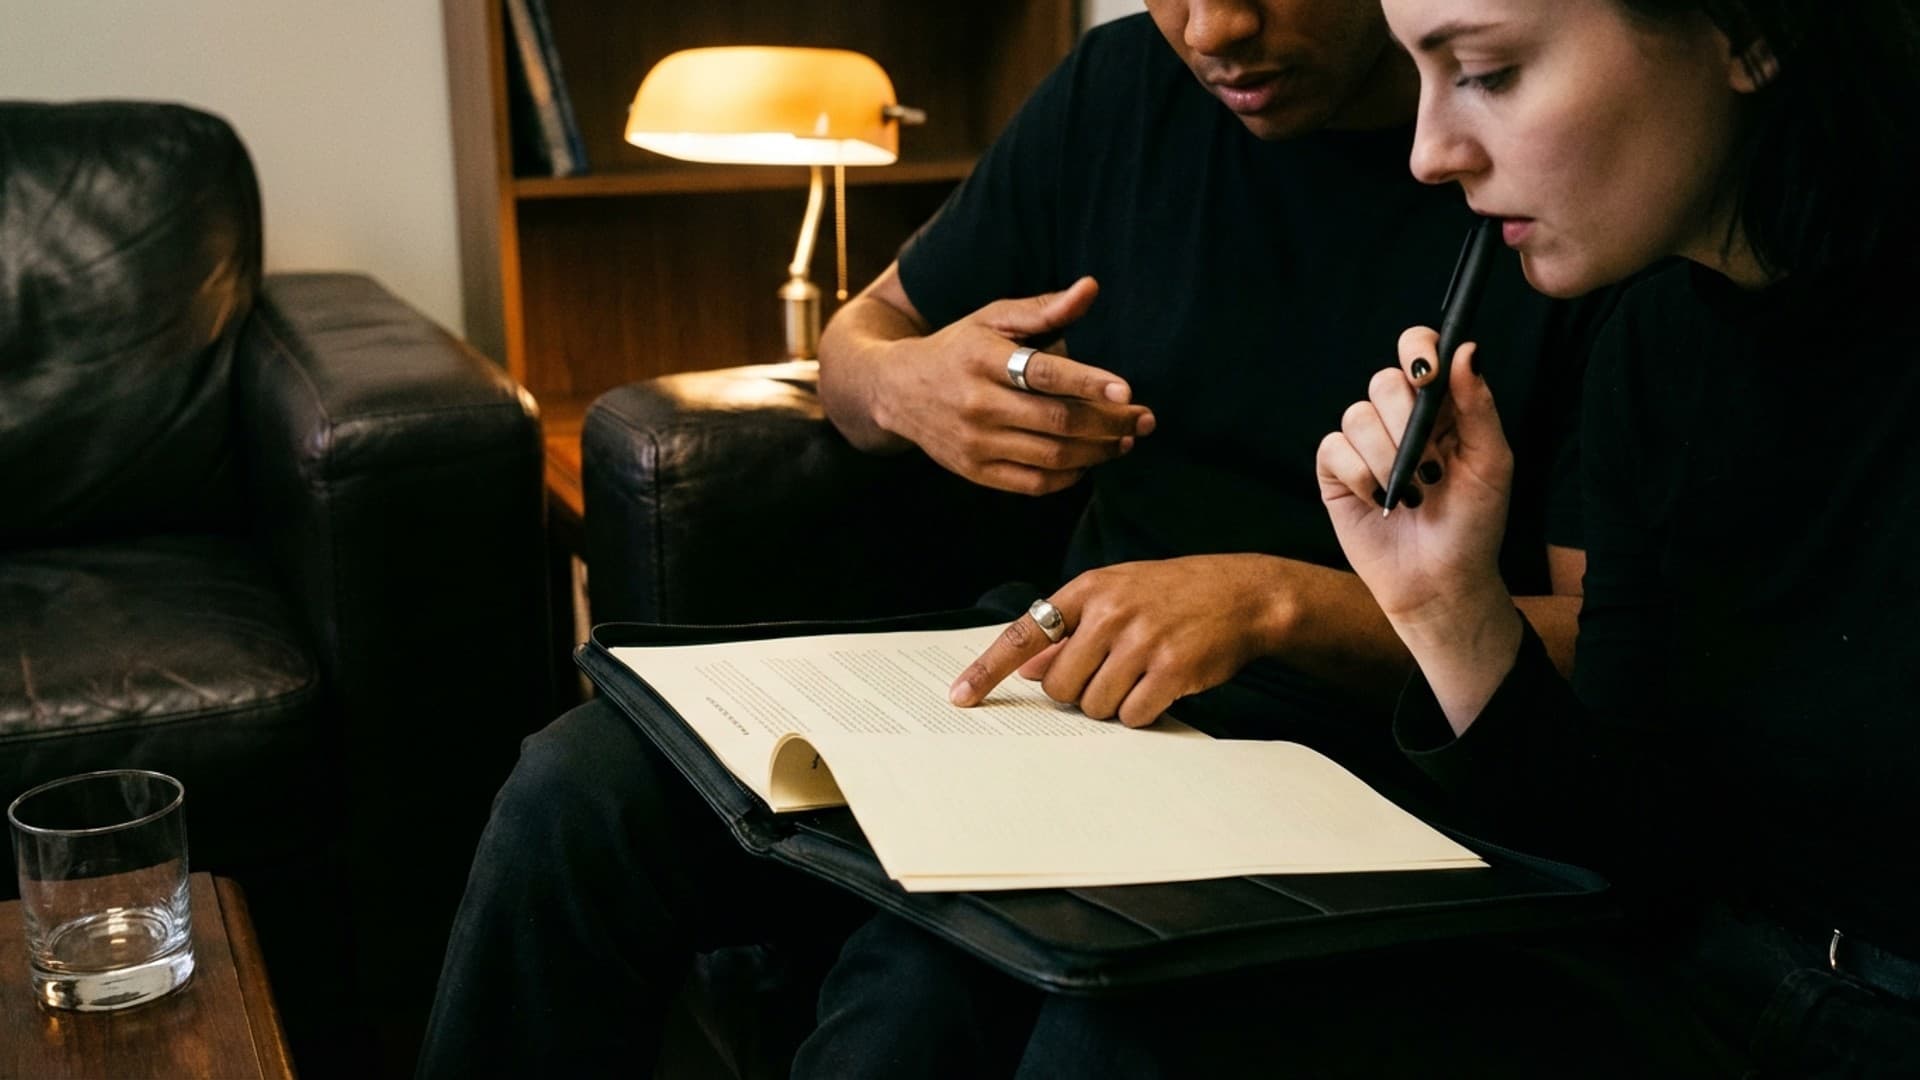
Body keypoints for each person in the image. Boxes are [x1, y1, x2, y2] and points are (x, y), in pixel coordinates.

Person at [414, 4, 1611, 1076]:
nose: (1213, 30)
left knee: (916, 994)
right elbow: (858, 339)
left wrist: (1271, 605)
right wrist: (904, 383)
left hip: (1350, 759)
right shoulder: (1122, 86)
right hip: (1061, 694)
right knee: (570, 791)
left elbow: (1604, 641)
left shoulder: (1539, 176)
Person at [798, 0, 1920, 1075]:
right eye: (1422, 69)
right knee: (1038, 1009)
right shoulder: (1661, 344)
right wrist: (1446, 606)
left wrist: (1299, 608)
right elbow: (1622, 840)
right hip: (1693, 973)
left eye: (1486, 72)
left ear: (1749, 30)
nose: (1431, 151)